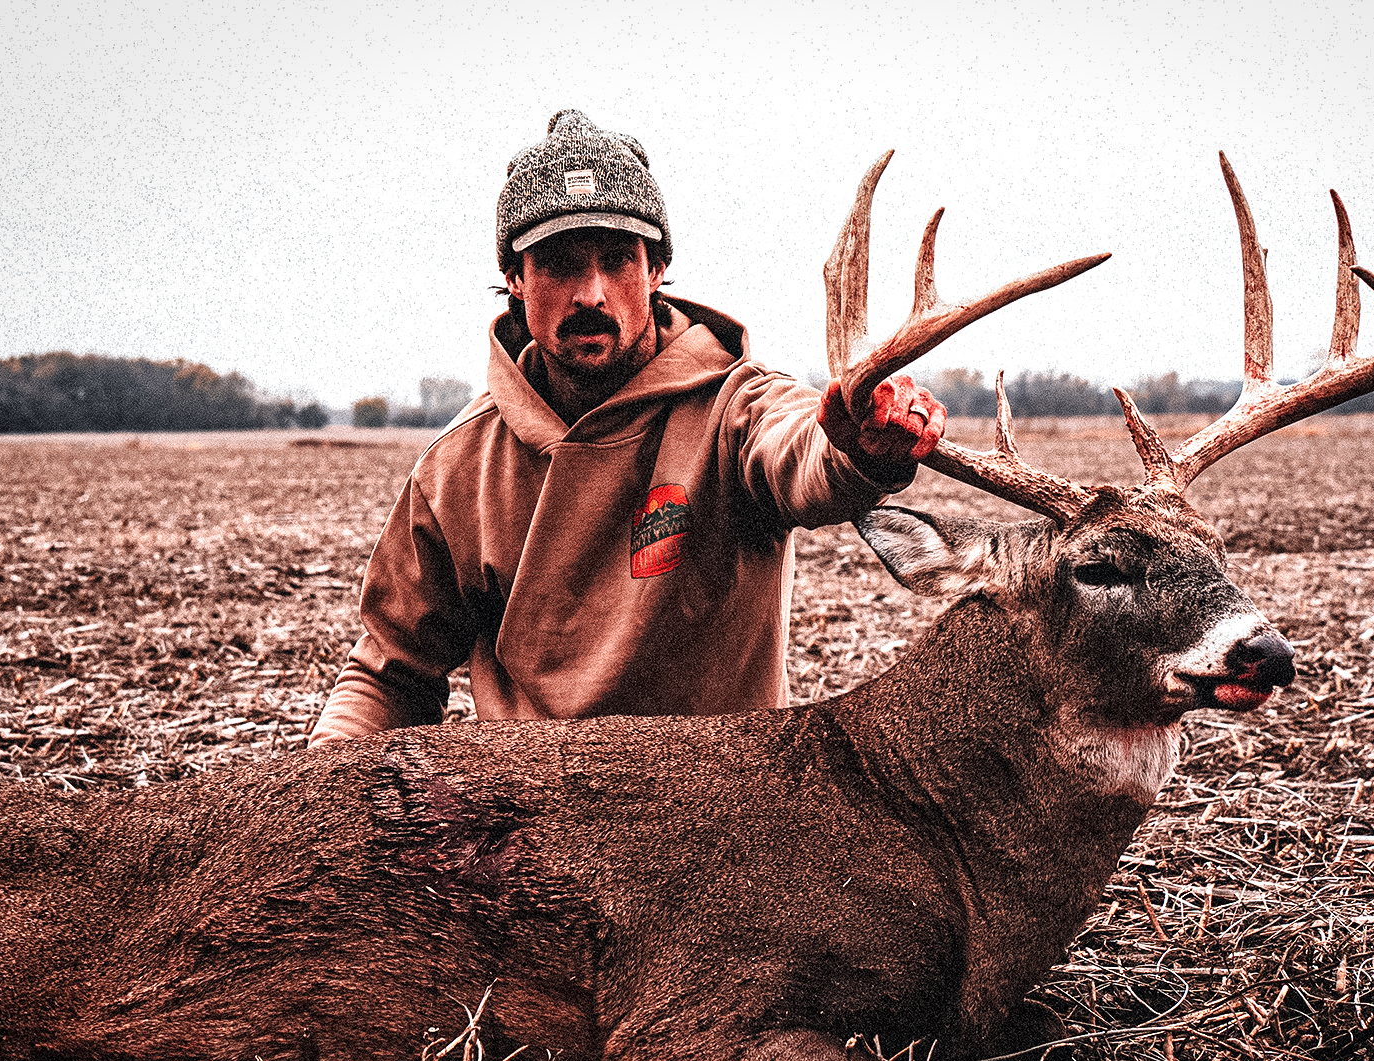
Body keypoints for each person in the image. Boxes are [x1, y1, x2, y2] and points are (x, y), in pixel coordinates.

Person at [309, 109, 945, 744]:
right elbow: (390, 673)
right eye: (558, 263)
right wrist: (314, 790)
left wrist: (855, 449)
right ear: (513, 281)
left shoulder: (734, 410)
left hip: (721, 807)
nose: (591, 293)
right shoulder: (460, 469)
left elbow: (800, 455)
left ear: (657, 270)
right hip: (535, 819)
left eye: (617, 260)